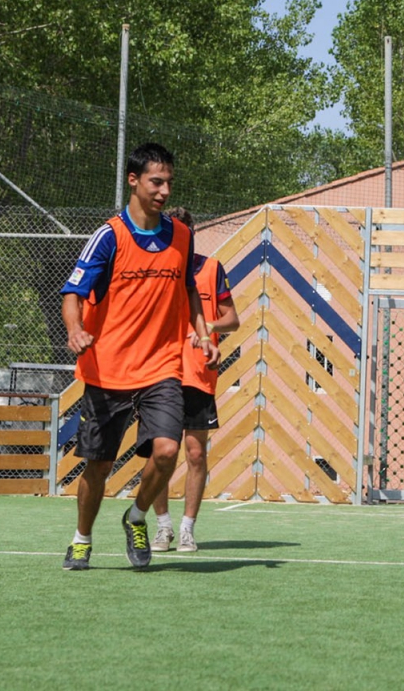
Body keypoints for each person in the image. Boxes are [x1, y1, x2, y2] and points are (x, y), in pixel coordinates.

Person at [60, 143, 218, 571]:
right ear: (133, 180)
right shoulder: (108, 236)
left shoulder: (181, 236)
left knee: (168, 452)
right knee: (98, 467)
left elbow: (189, 289)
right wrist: (76, 330)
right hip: (106, 368)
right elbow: (73, 292)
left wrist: (202, 333)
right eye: (156, 181)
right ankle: (81, 538)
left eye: (169, 182)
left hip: (161, 366)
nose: (165, 190)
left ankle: (137, 516)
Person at [150, 207, 240, 553]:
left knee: (196, 453)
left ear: (192, 233)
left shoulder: (212, 268)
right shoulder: (156, 270)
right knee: (161, 454)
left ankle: (187, 528)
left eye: (183, 231)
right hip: (160, 371)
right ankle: (162, 527)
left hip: (199, 373)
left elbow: (232, 319)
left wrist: (206, 329)